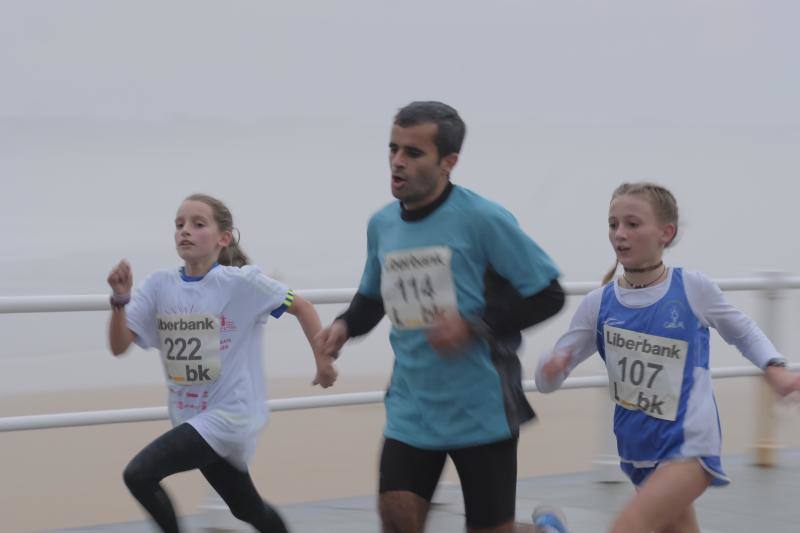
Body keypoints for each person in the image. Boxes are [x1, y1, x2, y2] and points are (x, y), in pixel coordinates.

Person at [315, 101, 564, 533]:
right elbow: (373, 297)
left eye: (413, 152)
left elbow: (547, 294)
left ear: (448, 162)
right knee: (397, 521)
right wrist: (344, 326)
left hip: (481, 407)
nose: (397, 161)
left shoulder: (483, 219)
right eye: (393, 148)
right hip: (411, 407)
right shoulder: (382, 224)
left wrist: (473, 325)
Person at [535, 182, 800, 533]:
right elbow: (548, 382)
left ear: (666, 233)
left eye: (632, 224)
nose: (620, 234)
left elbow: (744, 332)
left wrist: (776, 370)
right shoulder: (598, 304)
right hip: (636, 450)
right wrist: (550, 366)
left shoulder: (691, 288)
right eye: (613, 224)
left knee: (629, 526)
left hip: (688, 446)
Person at [106, 193, 337, 533]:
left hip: (230, 415)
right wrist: (120, 300)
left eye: (198, 224)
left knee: (139, 474)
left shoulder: (241, 282)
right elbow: (118, 345)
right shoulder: (158, 285)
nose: (185, 231)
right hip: (189, 415)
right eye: (179, 224)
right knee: (247, 508)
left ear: (223, 238)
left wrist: (322, 361)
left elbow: (302, 307)